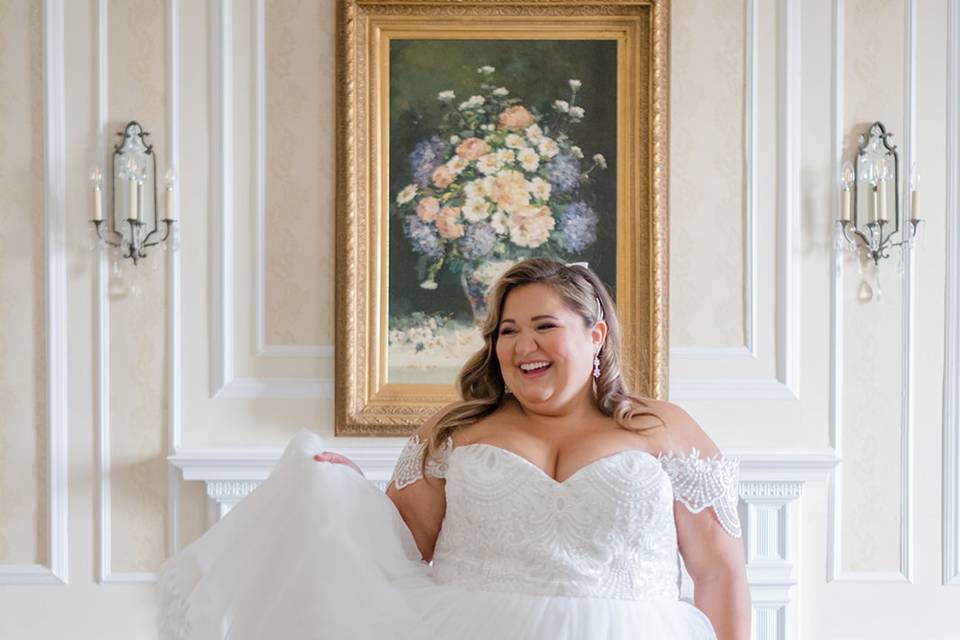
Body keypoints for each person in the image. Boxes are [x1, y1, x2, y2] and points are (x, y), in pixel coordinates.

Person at [158, 258, 750, 639]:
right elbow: (392, 549)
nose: (522, 345)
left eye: (544, 325)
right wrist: (338, 488)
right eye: (507, 331)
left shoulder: (664, 428)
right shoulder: (453, 431)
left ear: (594, 335)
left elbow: (718, 572)